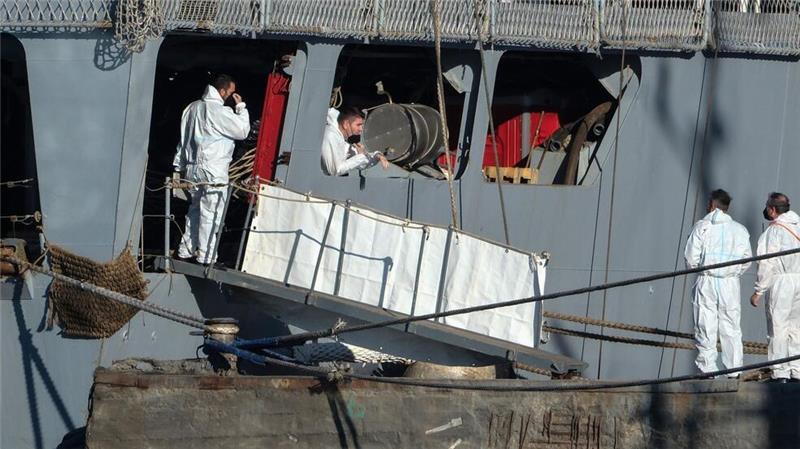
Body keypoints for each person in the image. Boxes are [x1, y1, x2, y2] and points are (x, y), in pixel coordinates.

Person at [173, 74, 250, 265]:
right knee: (211, 213)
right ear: (222, 91)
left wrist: (179, 166)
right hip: (213, 169)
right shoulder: (220, 111)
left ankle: (186, 249)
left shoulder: (191, 108)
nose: (232, 96)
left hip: (192, 169)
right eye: (231, 92)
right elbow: (242, 131)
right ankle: (206, 256)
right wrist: (241, 108)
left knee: (194, 211)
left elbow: (183, 140)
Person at [684, 189, 752, 376]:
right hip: (729, 284)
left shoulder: (702, 227)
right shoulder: (740, 230)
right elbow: (747, 259)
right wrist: (732, 273)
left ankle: (709, 370)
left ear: (712, 205)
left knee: (705, 325)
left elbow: (690, 259)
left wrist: (704, 269)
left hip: (707, 280)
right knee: (731, 328)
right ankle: (734, 370)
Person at [750, 192, 800, 383]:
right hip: (799, 280)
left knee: (778, 328)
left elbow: (766, 263)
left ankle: (780, 372)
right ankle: (797, 370)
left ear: (772, 210)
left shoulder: (774, 231)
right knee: (796, 328)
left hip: (782, 282)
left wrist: (758, 291)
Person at [321, 106, 388, 176]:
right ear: (346, 124)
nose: (361, 129)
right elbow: (335, 170)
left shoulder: (340, 139)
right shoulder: (331, 135)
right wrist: (361, 156)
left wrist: (377, 156)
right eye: (358, 125)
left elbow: (360, 161)